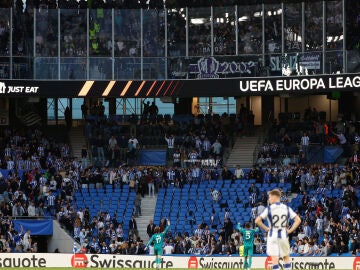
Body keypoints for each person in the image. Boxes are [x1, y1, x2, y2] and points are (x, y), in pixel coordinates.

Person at [255, 189, 301, 270]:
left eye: (269, 197)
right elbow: (298, 220)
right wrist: (290, 230)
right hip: (283, 235)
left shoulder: (269, 208)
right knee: (286, 258)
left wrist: (266, 229)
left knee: (275, 259)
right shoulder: (286, 208)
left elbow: (257, 221)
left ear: (274, 197)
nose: (268, 199)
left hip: (272, 236)